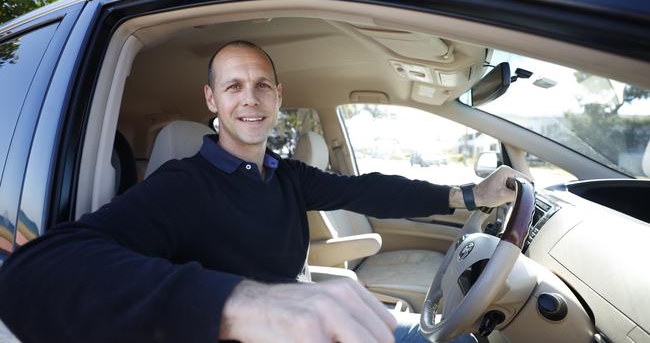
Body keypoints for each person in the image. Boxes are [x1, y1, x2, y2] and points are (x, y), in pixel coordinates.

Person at [0, 40, 523, 343]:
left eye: (261, 85)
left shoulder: (286, 175)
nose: (249, 99)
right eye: (232, 87)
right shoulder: (181, 185)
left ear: (278, 96)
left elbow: (371, 191)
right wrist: (241, 303)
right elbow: (32, 273)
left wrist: (472, 195)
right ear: (212, 100)